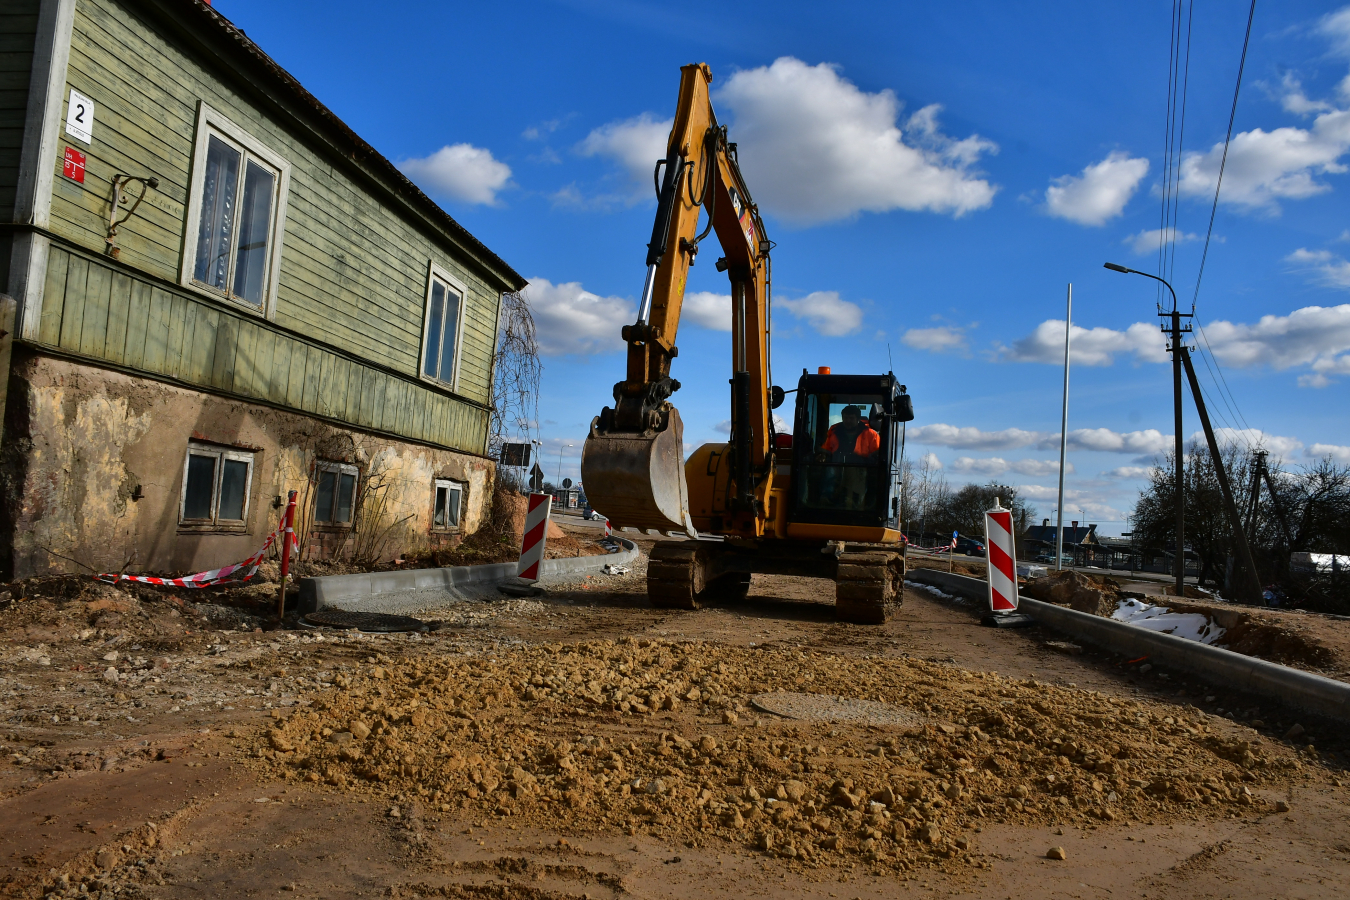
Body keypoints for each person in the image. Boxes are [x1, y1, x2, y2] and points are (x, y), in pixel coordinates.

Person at [817, 405, 880, 510]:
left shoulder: (871, 434)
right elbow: (826, 448)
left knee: (859, 476)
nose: (848, 421)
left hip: (860, 467)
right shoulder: (834, 430)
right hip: (836, 463)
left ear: (858, 419)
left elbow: (877, 454)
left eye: (851, 418)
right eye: (845, 418)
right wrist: (822, 456)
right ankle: (827, 499)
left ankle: (855, 501)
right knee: (830, 471)